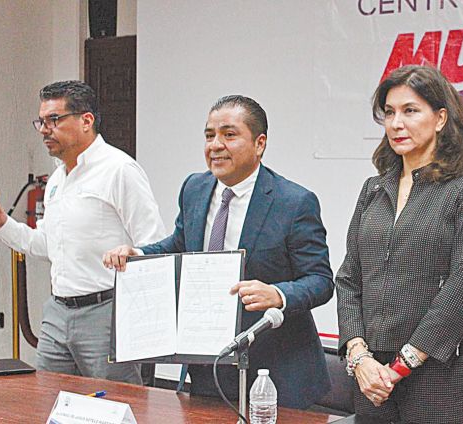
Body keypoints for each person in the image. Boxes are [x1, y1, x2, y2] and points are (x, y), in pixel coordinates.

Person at [102, 95, 333, 409]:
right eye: (209, 135)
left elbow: (320, 281)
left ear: (259, 144)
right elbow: (180, 244)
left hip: (275, 371)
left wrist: (278, 294)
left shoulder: (293, 202)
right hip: (208, 366)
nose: (215, 145)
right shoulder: (194, 188)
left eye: (229, 135)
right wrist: (139, 254)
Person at [336, 65, 463, 423]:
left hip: (436, 376)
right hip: (370, 378)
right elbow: (348, 278)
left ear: (440, 118)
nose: (396, 123)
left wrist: (402, 365)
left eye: (410, 111)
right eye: (389, 112)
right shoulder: (373, 189)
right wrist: (359, 357)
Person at [0, 80, 165, 383]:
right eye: (41, 121)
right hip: (57, 311)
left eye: (54, 119)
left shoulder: (119, 170)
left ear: (86, 120)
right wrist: (3, 225)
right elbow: (47, 245)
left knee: (114, 402)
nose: (44, 130)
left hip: (105, 311)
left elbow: (155, 244)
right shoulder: (58, 179)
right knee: (49, 399)